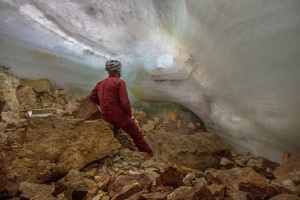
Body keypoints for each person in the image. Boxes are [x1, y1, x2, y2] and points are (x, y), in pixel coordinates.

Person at [89, 60, 154, 156]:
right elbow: (124, 102)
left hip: (105, 115)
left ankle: (115, 145)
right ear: (118, 70)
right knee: (136, 134)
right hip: (117, 115)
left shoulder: (100, 83)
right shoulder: (119, 82)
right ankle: (149, 154)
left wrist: (104, 105)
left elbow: (92, 97)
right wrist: (129, 115)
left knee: (116, 125)